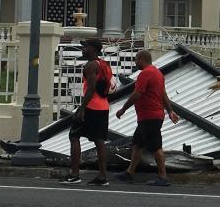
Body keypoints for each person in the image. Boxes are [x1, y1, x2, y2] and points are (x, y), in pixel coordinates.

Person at [114, 49, 179, 187]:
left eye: (136, 59)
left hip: (150, 116)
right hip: (149, 116)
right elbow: (163, 95)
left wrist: (123, 109)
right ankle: (129, 173)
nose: (135, 62)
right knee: (137, 144)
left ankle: (163, 176)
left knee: (156, 147)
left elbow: (137, 94)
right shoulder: (158, 73)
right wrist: (170, 111)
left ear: (142, 59)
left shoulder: (145, 74)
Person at [61, 38, 113, 186]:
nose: (83, 50)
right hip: (103, 106)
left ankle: (74, 174)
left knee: (74, 135)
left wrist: (82, 108)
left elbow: (90, 88)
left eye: (86, 47)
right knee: (99, 140)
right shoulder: (104, 64)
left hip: (91, 107)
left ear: (93, 49)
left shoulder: (90, 65)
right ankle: (103, 176)